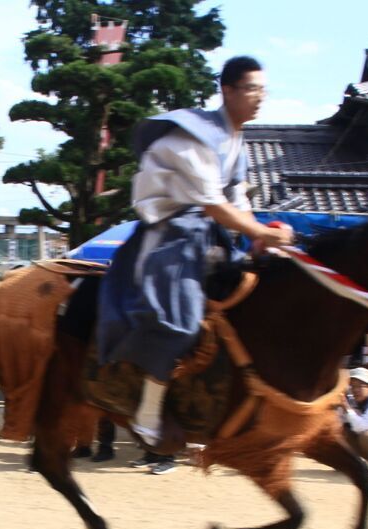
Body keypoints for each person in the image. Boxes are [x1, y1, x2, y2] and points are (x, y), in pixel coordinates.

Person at [97, 55, 294, 446]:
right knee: (179, 321)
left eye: (263, 90)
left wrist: (261, 238)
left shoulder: (237, 141)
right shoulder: (196, 136)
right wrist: (259, 232)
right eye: (253, 89)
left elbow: (237, 201)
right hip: (171, 236)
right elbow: (213, 205)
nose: (260, 98)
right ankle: (148, 410)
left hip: (209, 237)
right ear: (227, 90)